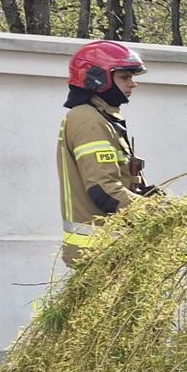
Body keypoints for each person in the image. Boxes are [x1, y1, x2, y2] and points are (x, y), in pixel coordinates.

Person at [56, 40, 153, 267]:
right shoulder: (88, 119)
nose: (133, 84)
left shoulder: (102, 117)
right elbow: (103, 190)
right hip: (98, 251)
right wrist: (153, 212)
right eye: (125, 77)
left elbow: (117, 178)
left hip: (109, 248)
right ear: (97, 78)